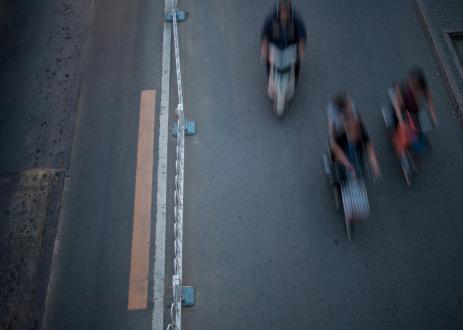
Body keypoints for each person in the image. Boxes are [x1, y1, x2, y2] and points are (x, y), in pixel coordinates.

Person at [329, 92, 381, 180]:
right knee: (340, 178)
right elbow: (336, 150)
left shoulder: (361, 132)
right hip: (343, 161)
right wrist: (347, 164)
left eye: (356, 122)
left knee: (359, 172)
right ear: (346, 125)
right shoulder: (341, 136)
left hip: (355, 159)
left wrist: (374, 164)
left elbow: (369, 147)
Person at [391, 67, 437, 155]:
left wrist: (433, 115)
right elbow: (397, 106)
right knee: (402, 131)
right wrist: (401, 121)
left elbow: (430, 101)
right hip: (401, 113)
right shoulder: (403, 88)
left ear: (419, 85)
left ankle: (413, 141)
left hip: (413, 112)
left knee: (417, 130)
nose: (412, 86)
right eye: (411, 83)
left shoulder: (423, 90)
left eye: (415, 85)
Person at [260, 0, 306, 81]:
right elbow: (265, 35)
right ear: (279, 11)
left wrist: (301, 51)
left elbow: (302, 35)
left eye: (286, 14)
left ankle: (295, 78)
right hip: (275, 45)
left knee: (297, 63)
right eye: (282, 14)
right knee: (269, 61)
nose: (284, 17)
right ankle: (270, 78)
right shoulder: (271, 19)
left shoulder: (296, 19)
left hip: (291, 45)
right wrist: (264, 50)